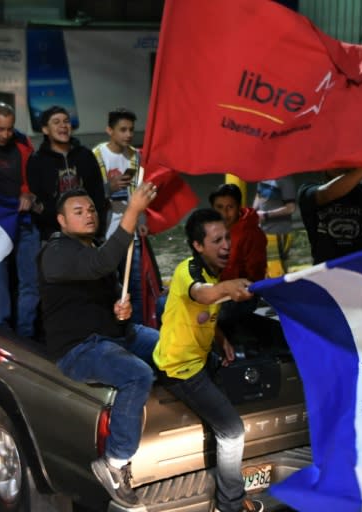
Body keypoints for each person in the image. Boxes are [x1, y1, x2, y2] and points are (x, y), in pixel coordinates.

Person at [38, 184, 159, 509]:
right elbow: (101, 265)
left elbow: (113, 301)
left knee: (171, 349)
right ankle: (115, 462)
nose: (88, 215)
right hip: (79, 349)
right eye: (78, 212)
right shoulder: (57, 252)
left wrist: (123, 312)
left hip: (114, 336)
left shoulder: (94, 249)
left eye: (91, 209)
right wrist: (132, 211)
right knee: (138, 375)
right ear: (62, 222)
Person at [152, 208, 263, 512]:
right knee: (232, 430)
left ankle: (226, 480)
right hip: (180, 370)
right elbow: (204, 296)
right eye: (217, 241)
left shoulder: (213, 272)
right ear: (198, 246)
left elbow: (205, 315)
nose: (226, 245)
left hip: (200, 361)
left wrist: (222, 340)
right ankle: (230, 505)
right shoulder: (188, 271)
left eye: (227, 237)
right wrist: (228, 288)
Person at [0, 103, 40, 338]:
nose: (5, 134)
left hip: (24, 221)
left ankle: (26, 335)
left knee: (30, 282)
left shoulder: (23, 146)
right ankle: (2, 333)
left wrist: (30, 194)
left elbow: (35, 180)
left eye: (9, 129)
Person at [93, 108, 146, 323]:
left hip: (130, 234)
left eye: (131, 130)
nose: (128, 135)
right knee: (106, 286)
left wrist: (142, 221)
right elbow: (89, 194)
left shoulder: (135, 157)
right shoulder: (96, 156)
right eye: (123, 130)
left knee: (134, 286)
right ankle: (109, 327)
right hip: (106, 235)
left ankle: (138, 330)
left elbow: (139, 191)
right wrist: (109, 188)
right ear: (109, 130)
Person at [27, 105, 107, 241]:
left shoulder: (85, 155)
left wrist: (98, 231)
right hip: (53, 237)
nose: (63, 125)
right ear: (45, 129)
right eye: (56, 122)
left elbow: (98, 194)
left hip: (87, 234)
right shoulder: (37, 160)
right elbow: (37, 202)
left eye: (66, 121)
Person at [209, 183, 266, 337]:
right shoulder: (210, 228)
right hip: (215, 290)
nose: (224, 213)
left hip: (241, 295)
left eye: (230, 207)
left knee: (205, 316)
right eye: (219, 207)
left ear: (239, 207)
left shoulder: (252, 234)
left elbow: (255, 276)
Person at [253, 175, 297, 276]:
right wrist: (252, 212)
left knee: (276, 272)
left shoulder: (285, 179)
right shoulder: (262, 176)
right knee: (268, 270)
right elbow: (259, 195)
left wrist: (266, 215)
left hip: (278, 232)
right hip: (264, 231)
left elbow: (291, 208)